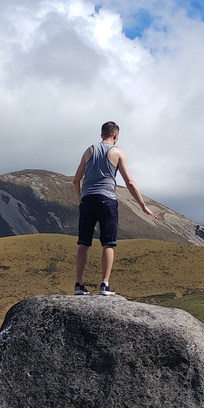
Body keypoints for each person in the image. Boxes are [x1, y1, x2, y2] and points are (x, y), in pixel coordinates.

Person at [73, 121, 157, 296]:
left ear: (101, 134)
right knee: (108, 244)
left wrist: (81, 198)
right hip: (107, 200)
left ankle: (79, 285)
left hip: (87, 200)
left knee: (83, 244)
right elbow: (130, 182)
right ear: (116, 136)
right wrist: (143, 206)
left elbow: (76, 179)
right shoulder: (117, 152)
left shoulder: (89, 150)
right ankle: (104, 284)